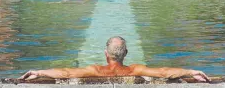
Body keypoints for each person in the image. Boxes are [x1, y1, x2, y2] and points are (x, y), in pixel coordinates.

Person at [19, 36, 211, 82]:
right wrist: (191, 71)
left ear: (105, 53)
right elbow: (163, 73)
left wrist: (39, 72)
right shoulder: (134, 70)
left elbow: (66, 73)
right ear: (125, 54)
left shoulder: (96, 71)